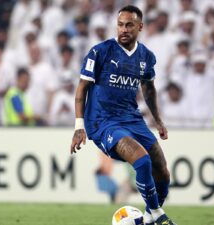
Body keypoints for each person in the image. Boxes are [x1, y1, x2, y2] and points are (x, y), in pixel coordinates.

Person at [70, 5, 176, 225]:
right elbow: (81, 89)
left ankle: (147, 219)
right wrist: (79, 126)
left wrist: (158, 120)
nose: (124, 29)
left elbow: (148, 88)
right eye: (120, 25)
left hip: (132, 119)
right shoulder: (100, 52)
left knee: (163, 172)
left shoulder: (146, 56)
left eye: (129, 25)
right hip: (103, 123)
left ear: (140, 26)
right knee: (142, 160)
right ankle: (158, 214)